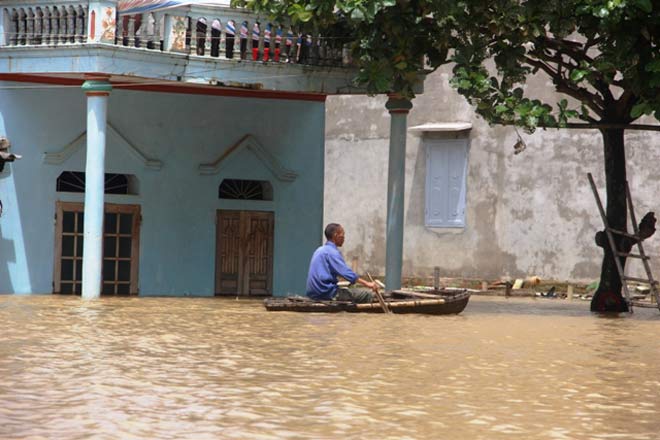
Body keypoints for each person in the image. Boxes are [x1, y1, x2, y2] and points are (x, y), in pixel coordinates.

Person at [306, 223, 378, 303]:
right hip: (327, 293)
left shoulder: (319, 250)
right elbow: (346, 273)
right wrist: (368, 284)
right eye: (343, 235)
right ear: (336, 235)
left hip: (313, 293)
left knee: (348, 291)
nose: (344, 238)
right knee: (366, 294)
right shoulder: (332, 252)